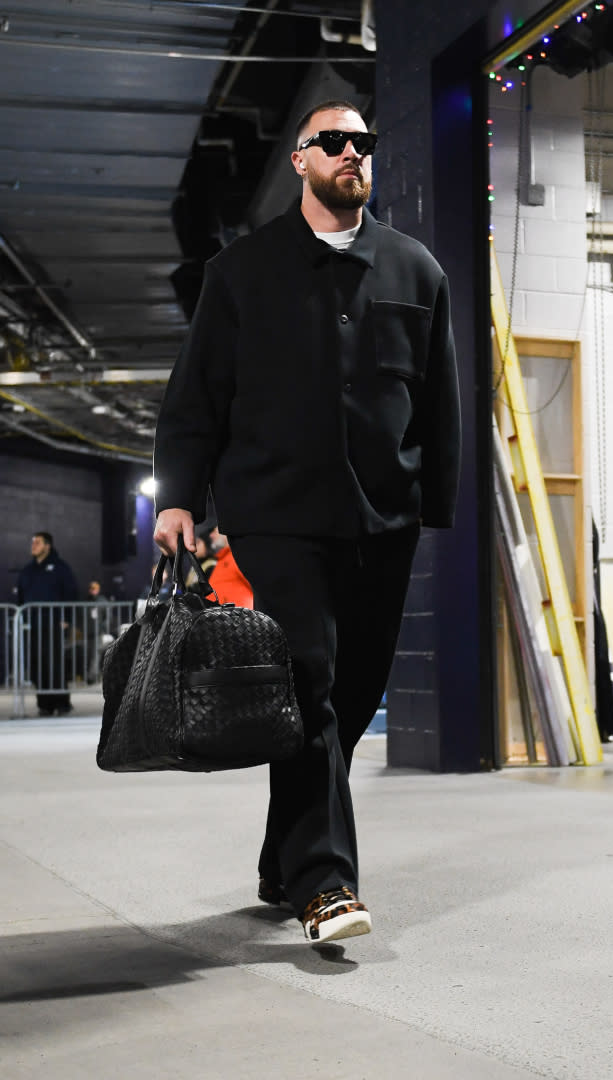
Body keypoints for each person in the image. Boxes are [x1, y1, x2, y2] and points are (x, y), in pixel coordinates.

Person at [153, 100, 461, 944]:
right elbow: (196, 398)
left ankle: (280, 855)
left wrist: (437, 501)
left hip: (382, 517)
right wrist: (179, 494)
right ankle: (325, 884)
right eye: (334, 141)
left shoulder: (415, 269)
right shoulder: (241, 273)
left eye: (364, 141)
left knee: (350, 699)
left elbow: (439, 402)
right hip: (276, 514)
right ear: (299, 159)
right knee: (311, 682)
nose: (353, 152)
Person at [17, 531, 78, 716]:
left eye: (38, 542)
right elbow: (21, 595)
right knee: (36, 665)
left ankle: (62, 703)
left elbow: (71, 593)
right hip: (33, 625)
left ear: (47, 546)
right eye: (32, 542)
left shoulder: (60, 568)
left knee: (54, 664)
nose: (33, 545)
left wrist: (66, 619)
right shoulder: (27, 570)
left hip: (53, 625)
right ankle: (44, 704)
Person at [207, 526, 253, 608]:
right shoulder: (224, 558)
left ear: (225, 534)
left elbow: (257, 586)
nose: (211, 535)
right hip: (221, 616)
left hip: (235, 617)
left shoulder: (237, 557)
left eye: (214, 531)